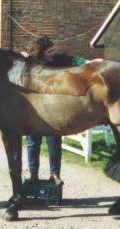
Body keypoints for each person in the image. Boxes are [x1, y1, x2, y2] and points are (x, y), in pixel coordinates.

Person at [25, 36, 88, 185]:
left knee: (54, 143)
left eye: (53, 50)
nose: (53, 54)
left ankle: (55, 174)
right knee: (33, 143)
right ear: (41, 53)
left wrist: (88, 62)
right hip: (33, 110)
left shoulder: (57, 60)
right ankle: (33, 174)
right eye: (49, 52)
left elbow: (73, 60)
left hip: (52, 110)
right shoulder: (30, 63)